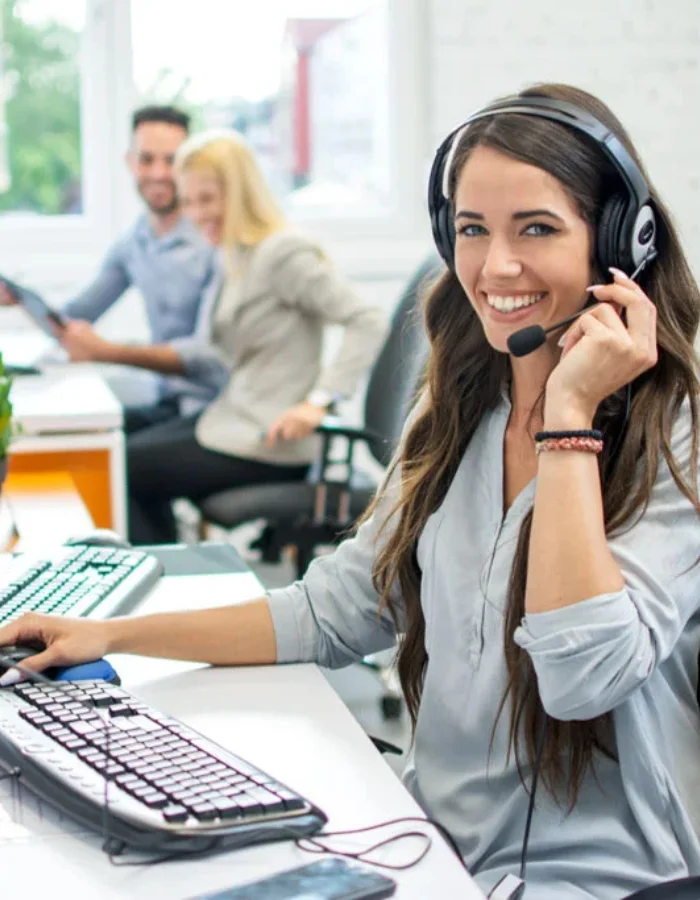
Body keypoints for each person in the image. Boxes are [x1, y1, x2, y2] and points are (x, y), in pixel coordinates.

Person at [1, 83, 699, 900]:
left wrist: (570, 421)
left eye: (536, 228)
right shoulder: (463, 411)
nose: (496, 266)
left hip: (592, 881)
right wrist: (112, 636)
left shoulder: (674, 438)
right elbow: (336, 609)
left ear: (621, 241)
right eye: (472, 229)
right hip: (432, 842)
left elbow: (582, 682)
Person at [108, 129, 388, 545]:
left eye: (207, 199)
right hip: (233, 419)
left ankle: (161, 588)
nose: (196, 213)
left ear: (240, 193)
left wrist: (319, 401)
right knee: (116, 451)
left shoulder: (282, 253)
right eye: (187, 201)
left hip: (270, 440)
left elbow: (366, 318)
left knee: (124, 470)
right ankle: (169, 580)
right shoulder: (236, 253)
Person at [0, 106, 225, 432]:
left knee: (116, 462)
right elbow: (78, 315)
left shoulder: (212, 241)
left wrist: (106, 351)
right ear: (131, 163)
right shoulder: (136, 241)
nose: (159, 173)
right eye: (147, 160)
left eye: (171, 160)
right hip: (164, 400)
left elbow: (207, 355)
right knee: (67, 438)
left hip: (209, 409)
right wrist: (22, 301)